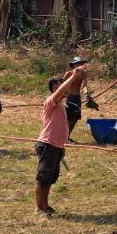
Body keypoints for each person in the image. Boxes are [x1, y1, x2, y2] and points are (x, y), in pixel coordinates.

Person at [35, 61, 87, 215]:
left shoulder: (62, 106)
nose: (65, 89)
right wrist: (73, 77)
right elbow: (61, 91)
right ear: (53, 89)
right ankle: (39, 207)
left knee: (50, 178)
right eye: (59, 86)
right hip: (48, 145)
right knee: (43, 178)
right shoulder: (51, 101)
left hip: (57, 146)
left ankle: (45, 205)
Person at [64, 55, 89, 137]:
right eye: (77, 63)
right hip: (70, 97)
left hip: (77, 98)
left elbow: (84, 86)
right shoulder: (68, 74)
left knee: (75, 118)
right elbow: (62, 86)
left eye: (80, 63)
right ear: (73, 65)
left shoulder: (84, 74)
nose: (79, 65)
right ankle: (64, 137)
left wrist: (86, 93)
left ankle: (67, 136)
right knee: (69, 118)